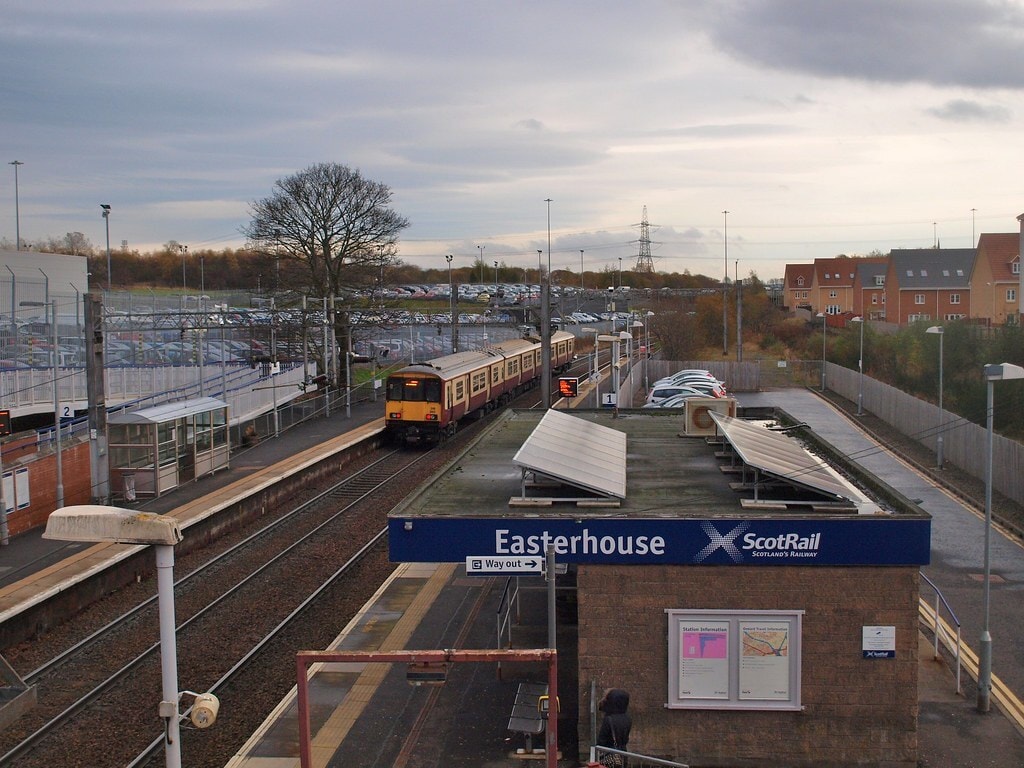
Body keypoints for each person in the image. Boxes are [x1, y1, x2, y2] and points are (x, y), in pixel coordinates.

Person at [596, 688, 631, 767]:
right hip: (623, 753)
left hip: (610, 755)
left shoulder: (609, 719)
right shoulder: (628, 718)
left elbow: (601, 740)